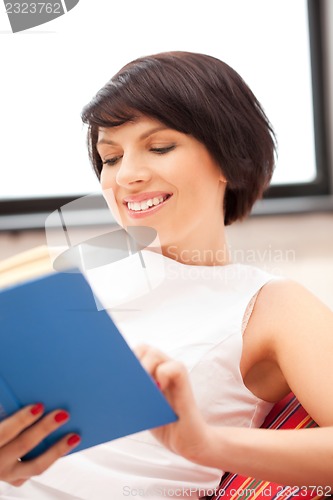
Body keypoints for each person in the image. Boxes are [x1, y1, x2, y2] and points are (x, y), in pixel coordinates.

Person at [0, 51, 332, 499]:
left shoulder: (271, 304)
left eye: (159, 147)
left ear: (228, 159)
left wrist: (207, 443)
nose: (127, 176)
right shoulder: (66, 285)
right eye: (111, 158)